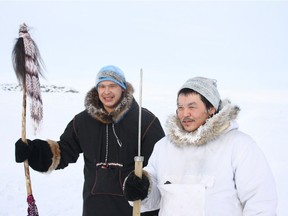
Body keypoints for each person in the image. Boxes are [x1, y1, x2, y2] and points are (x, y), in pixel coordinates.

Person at [15, 65, 165, 216]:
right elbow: (63, 151)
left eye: (112, 85)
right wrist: (34, 151)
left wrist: (146, 185)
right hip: (94, 208)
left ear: (123, 88)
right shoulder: (82, 121)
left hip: (135, 209)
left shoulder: (145, 121)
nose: (106, 91)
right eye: (102, 86)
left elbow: (161, 166)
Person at [123, 77, 278, 216]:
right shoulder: (164, 147)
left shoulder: (239, 145)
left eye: (192, 107)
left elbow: (260, 202)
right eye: (181, 107)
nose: (185, 114)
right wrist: (142, 190)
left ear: (211, 109)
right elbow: (152, 200)